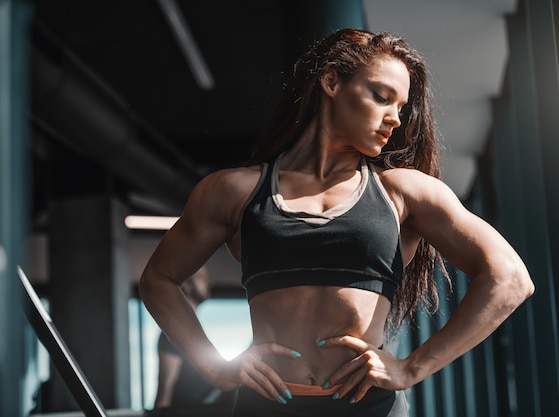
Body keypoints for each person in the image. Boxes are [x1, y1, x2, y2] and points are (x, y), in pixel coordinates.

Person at [139, 28, 535, 417]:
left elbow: (510, 278)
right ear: (331, 81)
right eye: (382, 97)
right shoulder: (233, 191)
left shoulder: (405, 192)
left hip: (370, 409)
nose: (394, 119)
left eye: (401, 107)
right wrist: (214, 366)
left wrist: (412, 368)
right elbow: (158, 279)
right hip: (266, 406)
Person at [153, 266, 227, 409]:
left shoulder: (194, 332)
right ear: (186, 285)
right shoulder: (173, 333)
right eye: (201, 277)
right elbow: (165, 388)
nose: (209, 282)